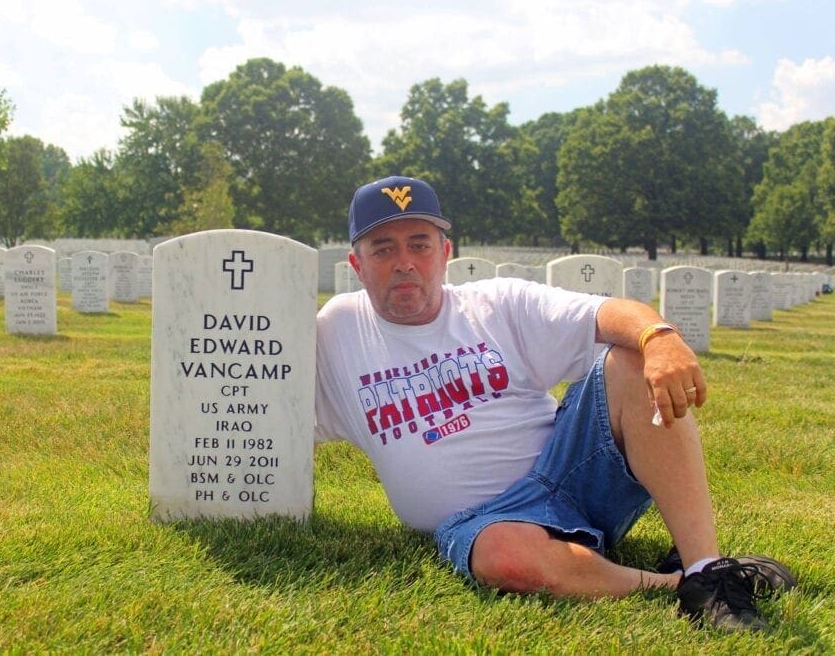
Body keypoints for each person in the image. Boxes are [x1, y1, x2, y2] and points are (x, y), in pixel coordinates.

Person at [315, 175, 796, 632]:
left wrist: (660, 337)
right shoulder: (337, 332)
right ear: (356, 265)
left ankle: (706, 571)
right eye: (383, 248)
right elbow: (274, 414)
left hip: (567, 476)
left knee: (630, 357)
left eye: (419, 244)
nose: (405, 262)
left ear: (444, 253)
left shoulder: (496, 302)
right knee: (503, 556)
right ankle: (675, 583)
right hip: (482, 523)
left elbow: (606, 314)